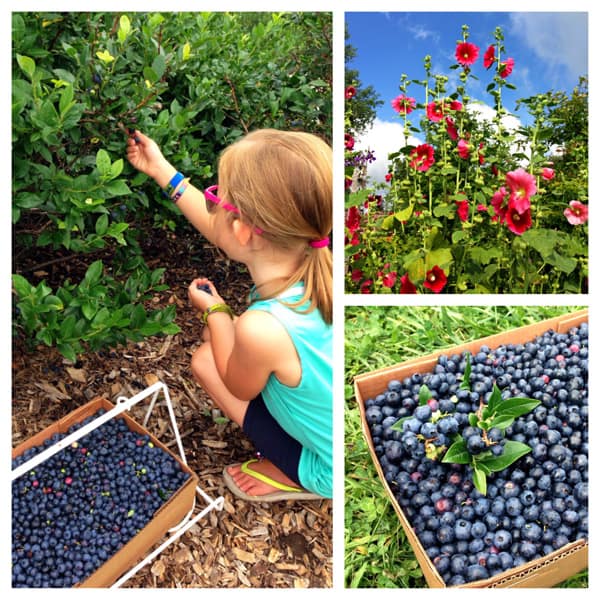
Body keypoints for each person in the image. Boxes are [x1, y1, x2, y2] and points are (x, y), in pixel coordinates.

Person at [125, 128, 332, 501]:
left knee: (206, 359)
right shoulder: (318, 264)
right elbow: (218, 227)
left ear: (243, 231)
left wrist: (216, 311)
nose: (211, 202)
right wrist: (160, 169)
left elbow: (236, 386)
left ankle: (293, 474)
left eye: (216, 196)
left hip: (330, 468)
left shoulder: (263, 328)